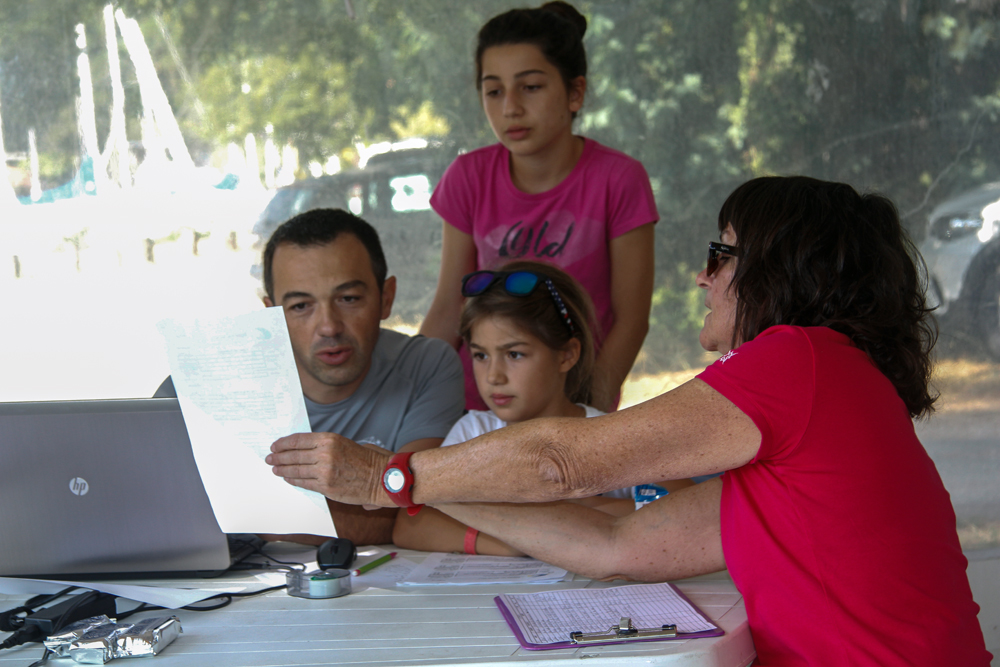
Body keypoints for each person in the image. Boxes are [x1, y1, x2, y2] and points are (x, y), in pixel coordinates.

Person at [268, 177, 992, 666]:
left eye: (720, 254)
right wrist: (404, 487)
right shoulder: (824, 390)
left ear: (781, 270)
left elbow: (565, 461)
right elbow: (612, 539)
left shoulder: (798, 361)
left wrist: (384, 472)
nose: (701, 277)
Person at [162, 208, 464, 546]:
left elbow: (412, 512)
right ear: (272, 314)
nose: (329, 327)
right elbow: (146, 502)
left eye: (349, 299)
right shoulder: (200, 382)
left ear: (386, 298)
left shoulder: (428, 366)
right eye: (301, 306)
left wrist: (235, 518)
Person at [419, 1, 658, 412]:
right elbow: (447, 308)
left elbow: (631, 318)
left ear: (575, 92)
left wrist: (588, 414)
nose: (510, 107)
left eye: (530, 87)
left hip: (572, 407)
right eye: (493, 91)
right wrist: (414, 397)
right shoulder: (467, 176)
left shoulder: (618, 179)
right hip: (475, 408)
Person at [395, 260, 654, 556]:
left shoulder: (607, 434)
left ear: (567, 355)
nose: (494, 376)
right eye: (480, 356)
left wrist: (583, 506)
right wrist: (510, 543)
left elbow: (679, 505)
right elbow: (411, 523)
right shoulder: (473, 431)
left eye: (514, 354)